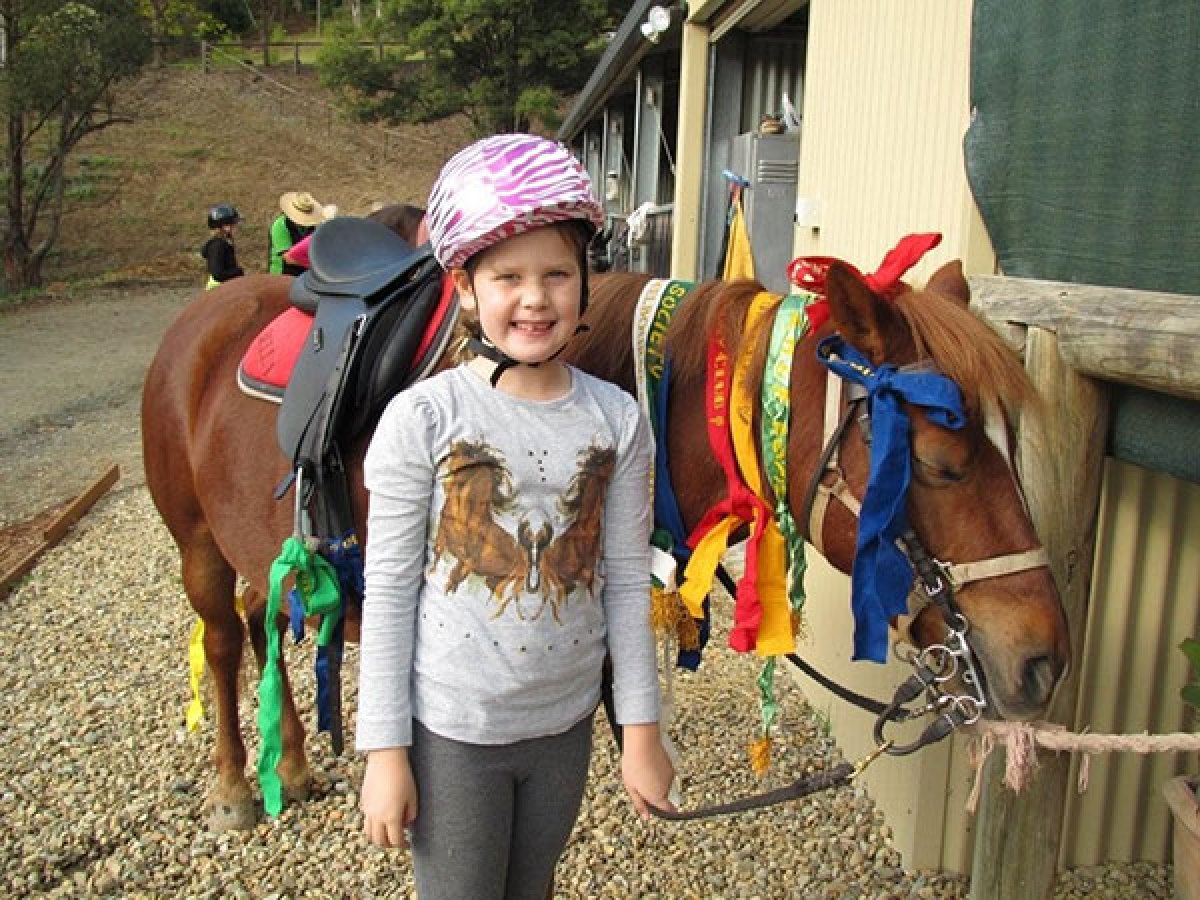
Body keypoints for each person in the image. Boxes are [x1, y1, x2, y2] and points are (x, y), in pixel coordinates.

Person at [356, 133, 675, 899]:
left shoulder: (618, 420)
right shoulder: (423, 417)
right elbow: (391, 590)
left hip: (563, 728)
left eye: (557, 274)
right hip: (454, 733)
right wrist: (385, 752)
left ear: (583, 282)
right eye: (508, 277)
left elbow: (628, 583)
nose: (535, 298)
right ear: (465, 286)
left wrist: (641, 731)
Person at [269, 190, 335, 275]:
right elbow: (288, 258)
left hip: (304, 270)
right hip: (283, 272)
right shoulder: (280, 225)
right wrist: (316, 267)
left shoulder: (311, 225)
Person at [201, 203, 244, 289]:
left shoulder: (223, 244)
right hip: (219, 291)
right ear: (224, 226)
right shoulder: (218, 246)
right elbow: (218, 274)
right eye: (233, 223)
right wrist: (238, 272)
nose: (236, 226)